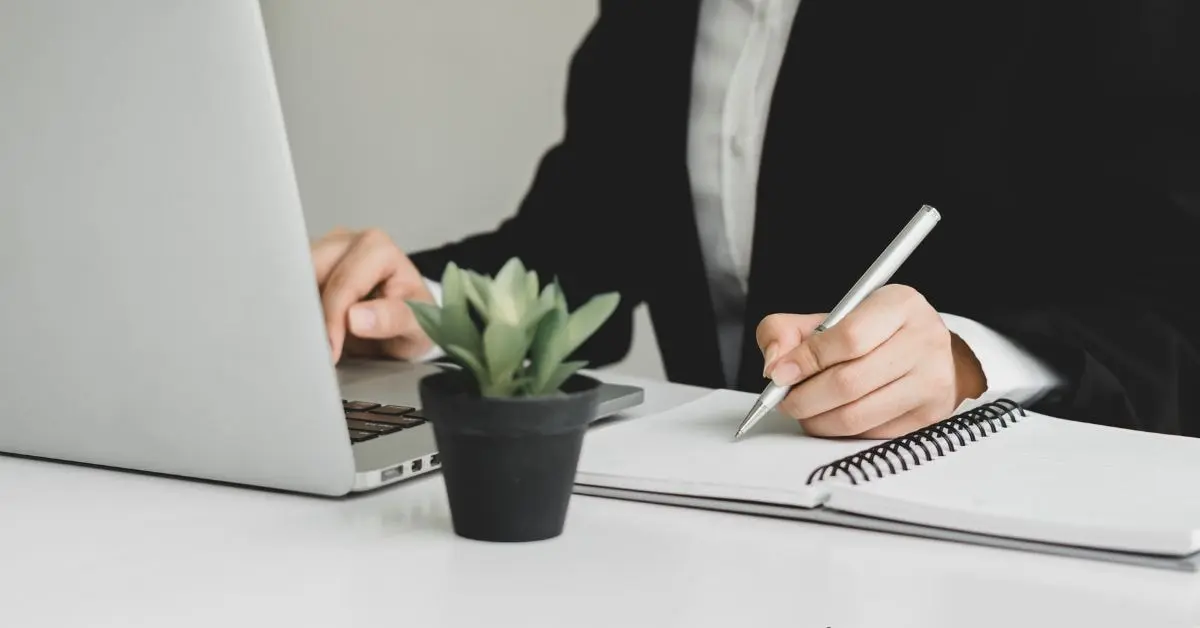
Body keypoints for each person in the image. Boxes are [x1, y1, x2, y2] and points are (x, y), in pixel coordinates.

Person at [311, 0, 1198, 438]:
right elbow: (581, 243)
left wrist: (970, 360)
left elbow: (1174, 306)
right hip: (732, 531)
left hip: (1016, 533)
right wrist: (416, 302)